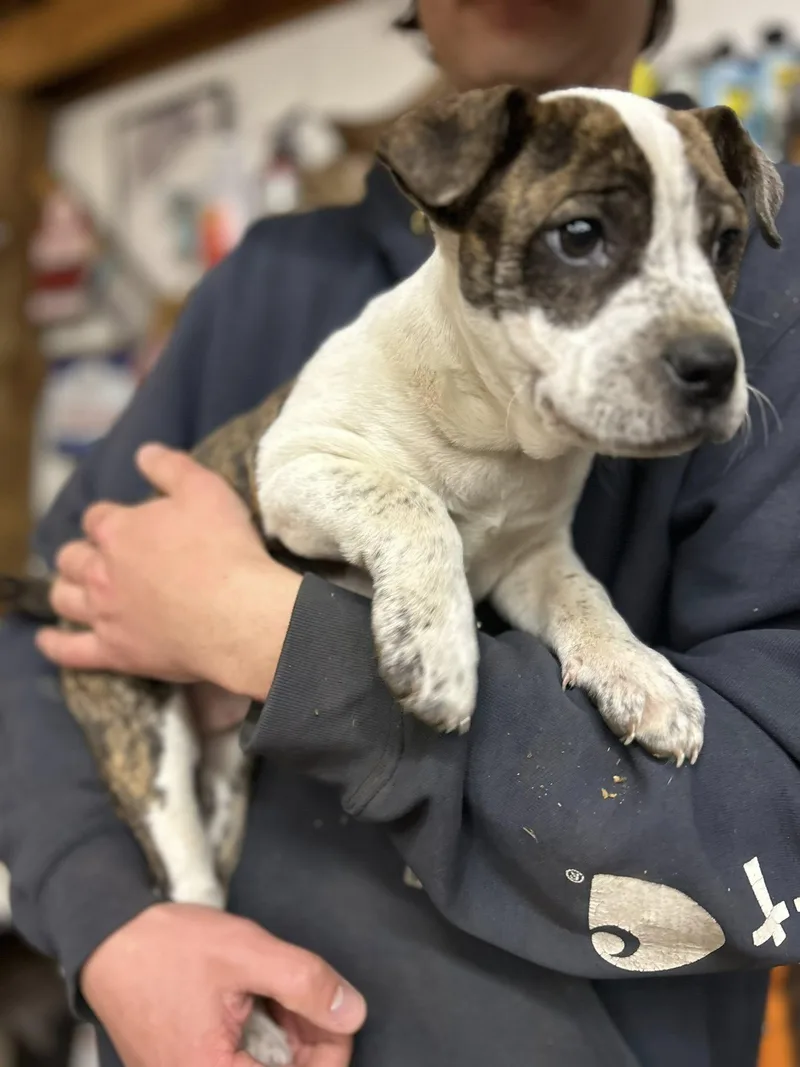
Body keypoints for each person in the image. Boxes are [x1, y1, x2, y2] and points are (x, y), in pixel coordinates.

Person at [2, 1, 799, 1065]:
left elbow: (760, 823)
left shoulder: (768, 323)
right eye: (577, 234)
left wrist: (265, 635)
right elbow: (47, 627)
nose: (687, 308)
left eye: (716, 246)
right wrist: (114, 925)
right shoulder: (265, 277)